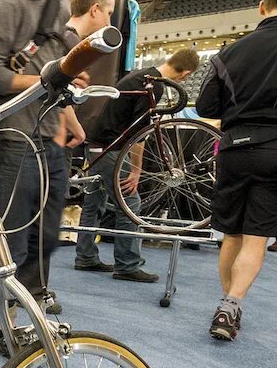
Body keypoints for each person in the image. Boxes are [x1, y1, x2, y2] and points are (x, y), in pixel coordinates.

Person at [0, 0, 113, 355]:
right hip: (9, 137)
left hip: (46, 139)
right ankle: (8, 329)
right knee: (15, 245)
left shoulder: (55, 8)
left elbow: (53, 73)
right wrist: (45, 81)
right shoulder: (10, 4)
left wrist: (67, 97)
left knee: (47, 240)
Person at [74, 48, 200, 282]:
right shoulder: (153, 85)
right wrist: (136, 170)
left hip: (97, 145)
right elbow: (138, 136)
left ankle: (85, 256)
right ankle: (127, 264)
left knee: (94, 202)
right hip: (110, 149)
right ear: (186, 73)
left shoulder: (144, 76)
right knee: (130, 202)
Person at [196, 0, 277, 341]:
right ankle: (232, 305)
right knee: (256, 237)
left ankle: (227, 307)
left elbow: (205, 105)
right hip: (274, 148)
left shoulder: (227, 52)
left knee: (231, 233)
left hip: (233, 149)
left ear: (262, 6)